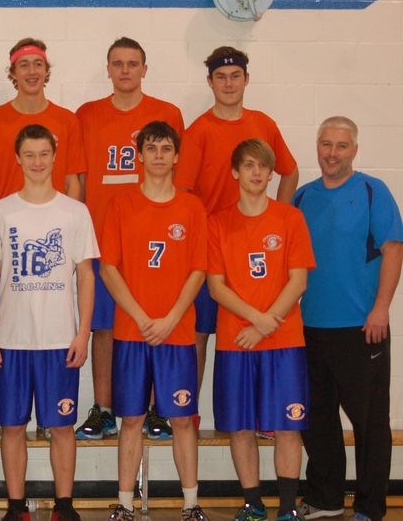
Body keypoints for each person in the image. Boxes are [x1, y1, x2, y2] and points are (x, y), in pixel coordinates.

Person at [0, 124, 97, 521]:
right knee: (12, 427)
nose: (37, 162)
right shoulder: (0, 211)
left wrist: (83, 332)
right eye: (29, 155)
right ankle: (16, 507)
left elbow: (86, 276)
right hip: (11, 338)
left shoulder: (74, 212)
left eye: (44, 154)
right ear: (17, 158)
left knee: (62, 427)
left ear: (54, 157)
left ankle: (64, 506)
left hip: (60, 338)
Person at [175, 46, 299, 420]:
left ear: (246, 79)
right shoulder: (198, 131)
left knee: (260, 327)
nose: (228, 83)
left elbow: (289, 171)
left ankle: (266, 416)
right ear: (209, 81)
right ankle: (187, 412)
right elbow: (182, 193)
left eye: (235, 76)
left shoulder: (263, 124)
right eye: (220, 77)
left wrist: (281, 215)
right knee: (197, 335)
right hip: (214, 249)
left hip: (257, 252)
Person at [75, 37, 184, 442]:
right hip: (105, 242)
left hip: (156, 244)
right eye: (117, 63)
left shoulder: (166, 113)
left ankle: (158, 410)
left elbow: (178, 175)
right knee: (103, 328)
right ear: (108, 69)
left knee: (155, 327)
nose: (125, 70)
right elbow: (81, 179)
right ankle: (103, 409)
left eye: (132, 63)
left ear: (144, 69)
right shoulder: (87, 115)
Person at [294, 116, 403, 521]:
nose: (332, 153)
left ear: (355, 150)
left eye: (341, 146)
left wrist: (381, 308)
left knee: (369, 425)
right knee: (317, 419)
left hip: (362, 329)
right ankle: (325, 499)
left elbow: (393, 250)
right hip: (310, 329)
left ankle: (371, 507)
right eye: (326, 144)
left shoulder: (374, 191)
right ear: (317, 147)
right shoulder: (303, 197)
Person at [98, 121, 207, 521]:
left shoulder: (192, 207)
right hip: (132, 331)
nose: (159, 155)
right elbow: (109, 267)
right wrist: (143, 317)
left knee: (181, 419)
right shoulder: (121, 204)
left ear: (176, 156)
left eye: (166, 148)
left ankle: (191, 503)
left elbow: (198, 270)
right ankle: (124, 505)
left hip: (175, 333)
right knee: (131, 420)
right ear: (139, 155)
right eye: (152, 148)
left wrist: (171, 318)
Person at [207, 139, 314, 521]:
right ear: (235, 172)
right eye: (248, 165)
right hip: (237, 342)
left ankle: (287, 507)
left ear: (272, 174)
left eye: (263, 167)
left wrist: (267, 323)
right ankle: (253, 504)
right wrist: (255, 320)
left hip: (284, 341)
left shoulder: (290, 218)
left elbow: (298, 281)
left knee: (288, 426)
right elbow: (216, 286)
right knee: (240, 428)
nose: (256, 173)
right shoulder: (217, 222)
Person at [0, 37, 85, 220]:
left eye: (38, 64)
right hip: (9, 223)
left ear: (46, 71)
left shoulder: (67, 120)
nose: (32, 71)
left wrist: (70, 225)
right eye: (24, 65)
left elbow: (72, 182)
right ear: (14, 73)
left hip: (56, 223)